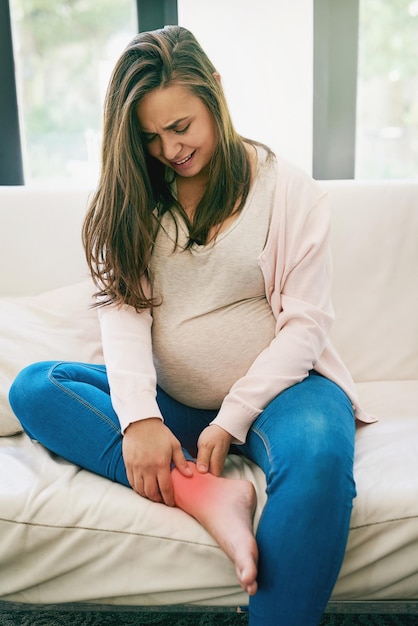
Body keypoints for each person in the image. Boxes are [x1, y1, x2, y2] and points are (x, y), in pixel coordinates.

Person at [9, 25, 372, 625]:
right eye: (150, 137)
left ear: (216, 94)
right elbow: (122, 314)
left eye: (181, 127)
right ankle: (205, 493)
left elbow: (305, 327)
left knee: (321, 465)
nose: (170, 149)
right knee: (36, 388)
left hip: (286, 394)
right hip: (174, 405)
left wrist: (231, 421)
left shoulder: (288, 191)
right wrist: (140, 418)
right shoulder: (135, 200)